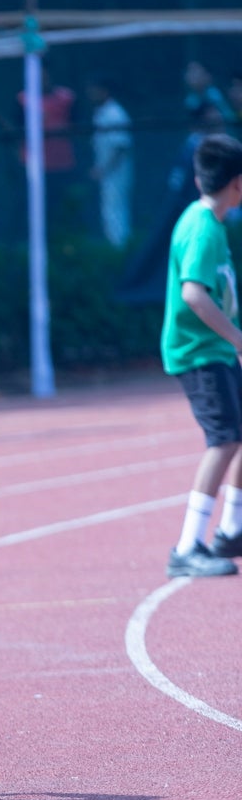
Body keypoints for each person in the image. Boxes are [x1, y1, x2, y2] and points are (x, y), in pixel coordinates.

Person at [161, 132, 242, 577]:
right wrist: (236, 337)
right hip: (199, 351)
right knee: (224, 439)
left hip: (216, 348)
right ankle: (186, 546)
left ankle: (231, 531)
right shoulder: (202, 227)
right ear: (238, 183)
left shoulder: (214, 221)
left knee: (239, 432)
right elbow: (194, 293)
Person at [87, 79, 133, 248]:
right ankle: (114, 248)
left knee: (116, 212)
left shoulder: (115, 113)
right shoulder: (101, 112)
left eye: (95, 90)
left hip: (116, 173)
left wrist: (104, 169)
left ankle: (120, 249)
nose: (91, 94)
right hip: (108, 174)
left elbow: (120, 146)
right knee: (109, 212)